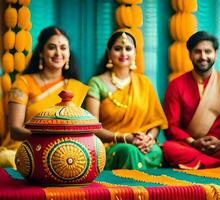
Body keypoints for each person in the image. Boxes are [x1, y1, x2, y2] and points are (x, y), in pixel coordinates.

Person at [162, 31, 220, 169]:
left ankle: (199, 162)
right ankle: (217, 163)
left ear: (215, 54)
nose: (203, 56)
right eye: (198, 52)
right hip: (189, 146)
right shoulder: (176, 85)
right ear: (190, 54)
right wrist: (194, 143)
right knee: (169, 148)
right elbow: (171, 127)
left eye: (208, 51)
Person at [0, 26, 88, 168]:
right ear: (41, 51)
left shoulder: (74, 87)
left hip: (65, 151)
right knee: (7, 159)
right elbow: (15, 130)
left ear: (69, 53)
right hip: (26, 147)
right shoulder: (23, 83)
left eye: (63, 48)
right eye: (52, 47)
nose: (58, 53)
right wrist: (47, 138)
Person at [86, 29, 167, 170]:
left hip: (142, 144)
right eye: (118, 49)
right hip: (110, 145)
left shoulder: (144, 83)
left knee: (155, 151)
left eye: (128, 49)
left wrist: (149, 139)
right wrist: (126, 138)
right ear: (109, 52)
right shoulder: (96, 83)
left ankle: (151, 191)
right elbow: (93, 127)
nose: (124, 53)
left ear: (135, 53)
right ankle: (134, 192)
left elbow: (156, 122)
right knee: (128, 151)